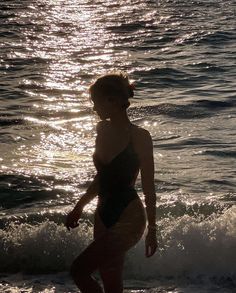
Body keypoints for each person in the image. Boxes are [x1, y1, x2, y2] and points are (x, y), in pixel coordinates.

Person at [65, 72, 157, 293]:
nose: (94, 108)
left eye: (96, 102)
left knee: (79, 270)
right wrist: (80, 206)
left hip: (130, 216)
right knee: (111, 281)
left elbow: (148, 186)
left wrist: (152, 229)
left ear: (112, 101)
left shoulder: (140, 137)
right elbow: (102, 177)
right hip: (103, 213)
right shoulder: (102, 130)